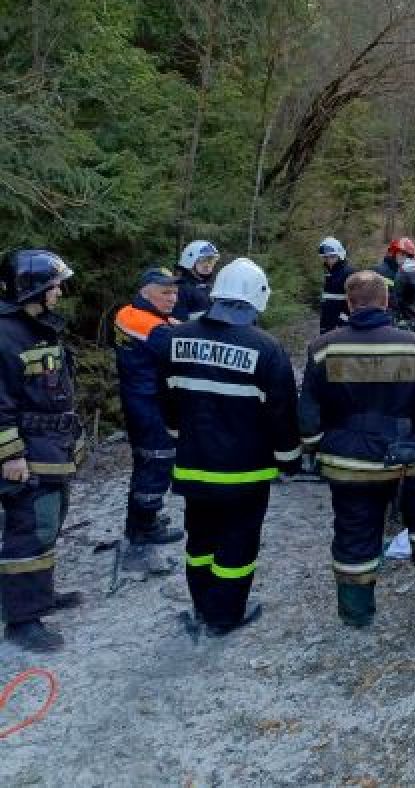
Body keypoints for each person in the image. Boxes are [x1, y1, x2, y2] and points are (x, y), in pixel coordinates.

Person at [298, 270, 415, 628]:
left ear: (349, 302)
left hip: (348, 463)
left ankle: (356, 613)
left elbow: (308, 410)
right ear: (386, 301)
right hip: (409, 458)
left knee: (354, 533)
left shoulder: (323, 348)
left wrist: (310, 449)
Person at [157, 258, 301, 636]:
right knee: (237, 542)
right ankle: (224, 615)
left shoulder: (175, 339)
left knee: (200, 539)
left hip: (192, 464)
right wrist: (290, 460)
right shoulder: (267, 349)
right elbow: (282, 413)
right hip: (245, 471)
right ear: (256, 298)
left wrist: (177, 436)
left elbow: (167, 399)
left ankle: (202, 604)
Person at [0, 249, 84, 652]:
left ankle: (39, 596)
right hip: (27, 452)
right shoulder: (5, 335)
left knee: (48, 523)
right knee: (29, 530)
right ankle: (21, 620)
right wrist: (10, 455)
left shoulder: (38, 327)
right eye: (54, 286)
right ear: (30, 288)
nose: (59, 291)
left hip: (52, 445)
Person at [113, 269, 186, 561]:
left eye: (174, 292)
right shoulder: (147, 324)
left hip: (140, 397)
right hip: (149, 402)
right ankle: (144, 525)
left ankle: (140, 519)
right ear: (146, 293)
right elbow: (177, 349)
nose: (173, 298)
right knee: (156, 459)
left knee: (145, 458)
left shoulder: (128, 313)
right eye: (165, 293)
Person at [173, 240, 220, 321]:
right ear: (189, 262)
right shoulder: (181, 288)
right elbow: (180, 323)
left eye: (211, 261)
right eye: (203, 261)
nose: (208, 265)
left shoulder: (210, 286)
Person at [318, 237, 355, 334]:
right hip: (328, 327)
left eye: (332, 257)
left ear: (340, 255)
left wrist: (341, 323)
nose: (328, 260)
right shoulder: (330, 275)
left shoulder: (349, 273)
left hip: (341, 328)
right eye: (326, 257)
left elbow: (354, 302)